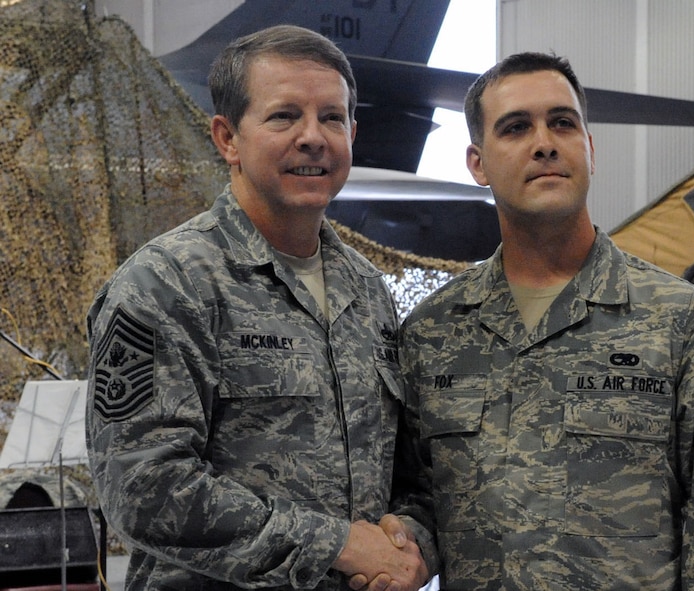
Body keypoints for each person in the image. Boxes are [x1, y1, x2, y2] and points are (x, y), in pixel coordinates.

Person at [396, 52, 694, 590]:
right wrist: (402, 545)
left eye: (562, 122)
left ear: (590, 149)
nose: (545, 142)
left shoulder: (676, 321)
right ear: (477, 163)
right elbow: (417, 497)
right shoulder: (434, 332)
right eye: (515, 128)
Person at [85, 24, 435, 591]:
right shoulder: (166, 284)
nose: (313, 137)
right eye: (283, 116)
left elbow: (411, 470)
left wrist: (412, 542)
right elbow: (144, 489)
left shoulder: (368, 292)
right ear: (227, 138)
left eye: (331, 118)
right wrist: (337, 546)